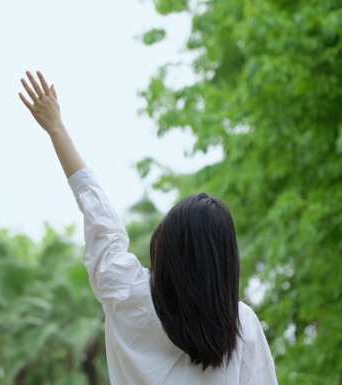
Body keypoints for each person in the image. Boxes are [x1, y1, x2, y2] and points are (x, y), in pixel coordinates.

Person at [19, 70, 278, 385]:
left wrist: (57, 129)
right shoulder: (241, 324)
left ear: (166, 246)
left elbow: (99, 217)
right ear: (225, 262)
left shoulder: (127, 291)